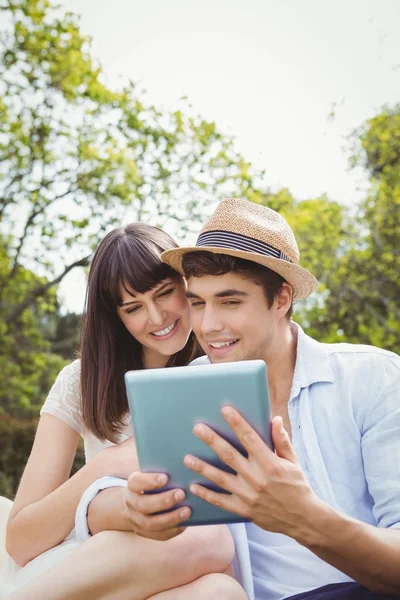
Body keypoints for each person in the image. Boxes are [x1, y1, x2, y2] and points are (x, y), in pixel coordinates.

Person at [68, 198, 399, 600]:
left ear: (281, 299)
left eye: (230, 301)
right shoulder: (190, 387)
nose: (208, 325)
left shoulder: (371, 378)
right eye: (197, 303)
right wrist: (131, 507)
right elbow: (99, 501)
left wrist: (304, 517)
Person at [2, 223, 246, 600]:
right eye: (133, 308)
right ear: (115, 316)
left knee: (221, 590)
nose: (156, 317)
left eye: (165, 294)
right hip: (105, 571)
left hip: (194, 576)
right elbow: (20, 540)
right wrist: (108, 464)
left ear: (187, 284)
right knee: (207, 539)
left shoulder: (225, 363)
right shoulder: (81, 383)